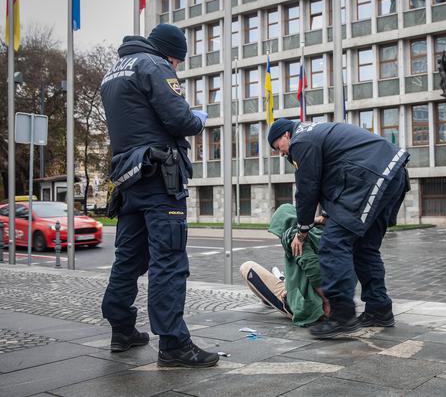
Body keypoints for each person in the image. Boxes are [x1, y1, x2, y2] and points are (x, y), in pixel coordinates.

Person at [100, 24, 218, 368]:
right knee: (168, 259)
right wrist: (197, 119)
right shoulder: (154, 65)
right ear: (170, 54)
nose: (177, 68)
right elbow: (179, 119)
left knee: (129, 258)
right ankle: (174, 345)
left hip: (129, 177)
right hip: (160, 178)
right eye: (177, 62)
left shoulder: (114, 72)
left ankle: (121, 329)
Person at [267, 119, 410, 339]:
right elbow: (333, 177)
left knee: (333, 244)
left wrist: (302, 230)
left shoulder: (301, 141)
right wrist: (326, 215)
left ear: (286, 135)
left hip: (371, 176)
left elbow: (307, 188)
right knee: (364, 248)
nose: (280, 153)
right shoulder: (313, 134)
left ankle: (342, 316)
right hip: (387, 174)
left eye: (278, 147)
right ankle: (379, 309)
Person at [240, 203, 329, 327]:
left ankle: (270, 299)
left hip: (307, 307)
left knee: (247, 267)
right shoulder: (320, 231)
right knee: (283, 275)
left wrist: (326, 301)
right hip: (338, 299)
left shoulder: (294, 236)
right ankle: (281, 284)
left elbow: (313, 269)